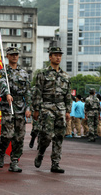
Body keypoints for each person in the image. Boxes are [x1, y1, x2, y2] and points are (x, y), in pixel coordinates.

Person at [32, 46, 72, 174]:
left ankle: (55, 163)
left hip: (60, 108)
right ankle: (41, 153)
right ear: (50, 57)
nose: (58, 57)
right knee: (47, 136)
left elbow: (68, 95)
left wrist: (68, 111)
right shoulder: (42, 74)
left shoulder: (66, 76)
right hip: (47, 107)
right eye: (55, 55)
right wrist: (36, 109)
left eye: (59, 55)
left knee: (59, 136)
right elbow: (37, 92)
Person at [0, 46, 31, 173]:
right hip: (8, 105)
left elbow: (28, 91)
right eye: (12, 54)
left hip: (20, 107)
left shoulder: (24, 73)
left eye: (16, 54)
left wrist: (28, 107)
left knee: (19, 136)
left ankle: (14, 161)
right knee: (8, 134)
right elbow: (3, 83)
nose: (14, 56)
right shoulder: (3, 71)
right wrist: (7, 93)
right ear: (7, 56)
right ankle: (1, 151)